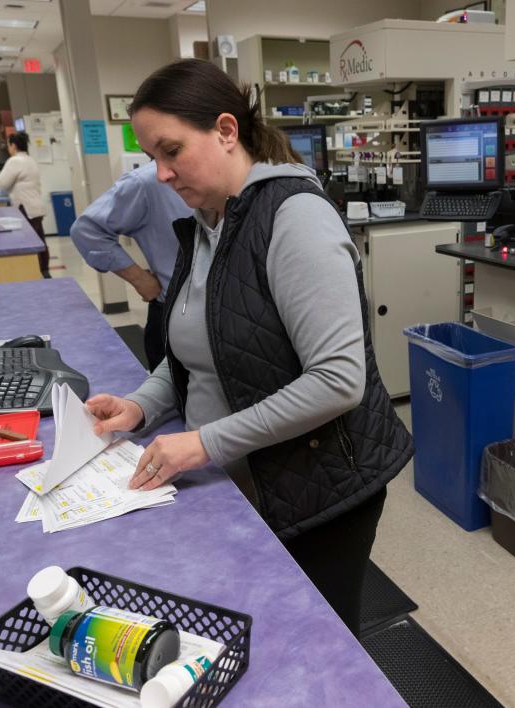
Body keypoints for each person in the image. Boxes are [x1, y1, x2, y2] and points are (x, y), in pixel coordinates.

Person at [85, 59, 413, 635]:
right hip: (234, 480)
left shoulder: (295, 219)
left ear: (226, 131)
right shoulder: (206, 224)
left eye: (171, 151)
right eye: (151, 158)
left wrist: (203, 443)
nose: (161, 174)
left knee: (313, 646)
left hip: (314, 490)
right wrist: (143, 404)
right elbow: (199, 344)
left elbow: (338, 380)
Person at [70, 162, 191, 370]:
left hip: (233, 316)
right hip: (176, 315)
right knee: (174, 394)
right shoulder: (148, 182)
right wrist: (139, 278)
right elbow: (87, 231)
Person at [0, 132, 49, 277]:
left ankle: (36, 271)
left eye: (8, 144)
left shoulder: (15, 161)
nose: (7, 148)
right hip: (35, 206)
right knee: (39, 239)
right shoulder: (29, 160)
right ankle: (44, 270)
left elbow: (1, 183)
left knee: (29, 242)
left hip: (25, 207)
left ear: (14, 145)